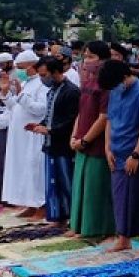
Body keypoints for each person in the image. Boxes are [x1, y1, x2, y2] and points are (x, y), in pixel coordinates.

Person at [101, 59, 139, 256]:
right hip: (117, 153)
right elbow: (110, 119)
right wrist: (107, 148)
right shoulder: (115, 91)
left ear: (124, 76)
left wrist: (136, 154)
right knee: (120, 199)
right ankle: (123, 238)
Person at [70, 41, 117, 240]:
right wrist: (74, 136)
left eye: (91, 57)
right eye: (85, 56)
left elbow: (104, 116)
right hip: (81, 140)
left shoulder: (107, 86)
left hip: (96, 143)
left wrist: (87, 140)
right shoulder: (87, 83)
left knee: (95, 188)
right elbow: (81, 112)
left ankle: (96, 228)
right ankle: (78, 226)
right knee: (80, 185)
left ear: (103, 59)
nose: (86, 61)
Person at [3, 51, 49, 217]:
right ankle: (29, 204)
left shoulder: (42, 84)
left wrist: (21, 94)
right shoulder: (26, 83)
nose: (18, 70)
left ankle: (41, 206)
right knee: (22, 170)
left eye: (20, 67)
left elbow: (41, 110)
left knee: (34, 170)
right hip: (19, 137)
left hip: (33, 135)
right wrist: (6, 93)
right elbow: (14, 107)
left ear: (31, 66)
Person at [42, 58, 80, 226]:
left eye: (45, 74)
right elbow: (50, 114)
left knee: (66, 182)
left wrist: (51, 130)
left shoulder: (71, 91)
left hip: (64, 145)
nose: (43, 78)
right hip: (51, 144)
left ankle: (73, 218)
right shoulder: (52, 90)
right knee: (52, 183)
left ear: (55, 72)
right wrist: (41, 125)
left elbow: (71, 120)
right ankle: (57, 216)